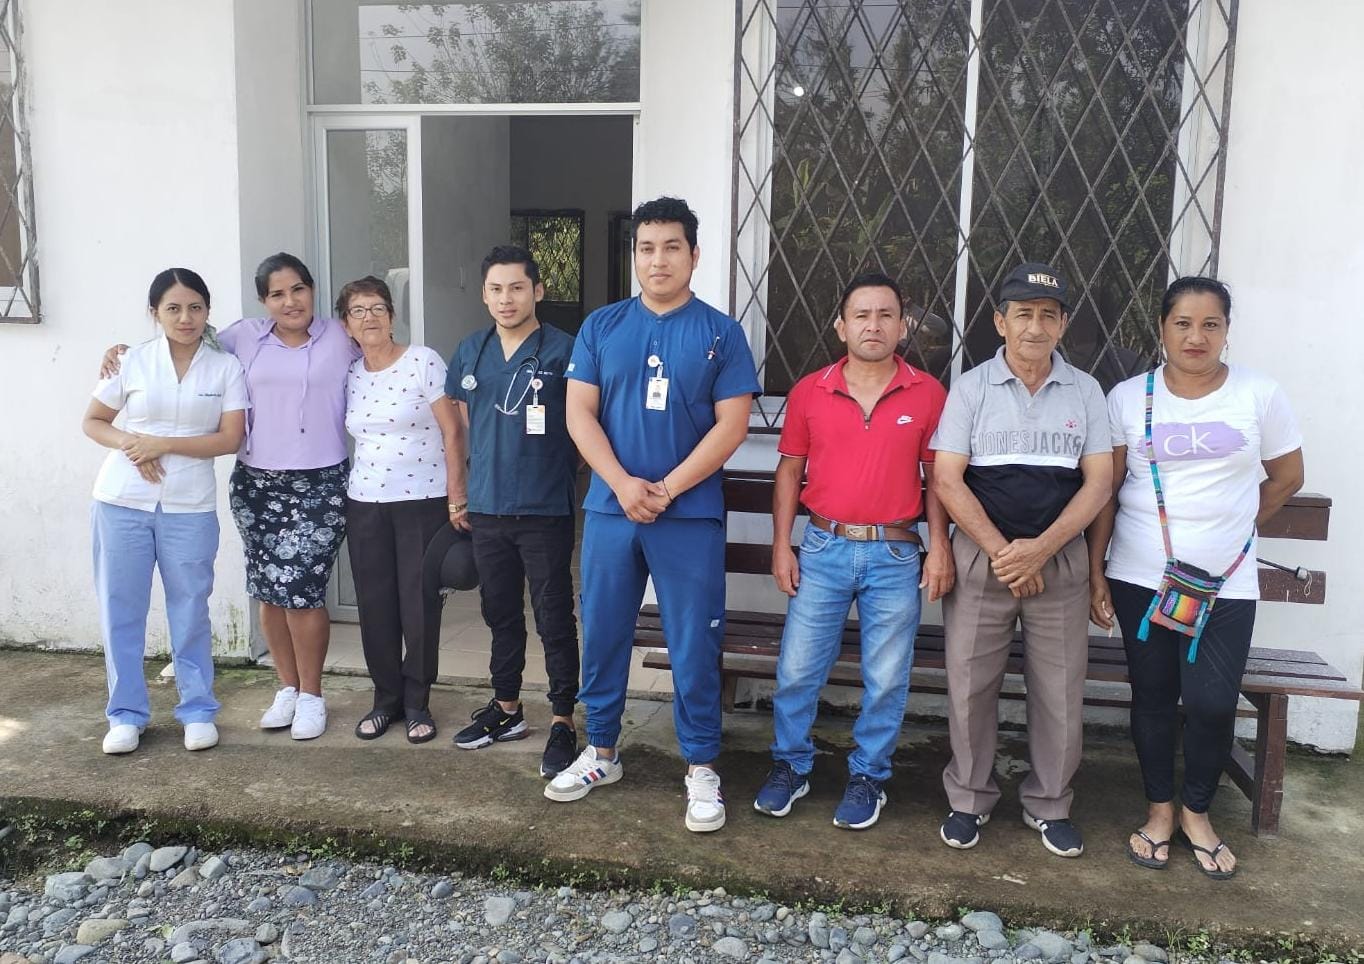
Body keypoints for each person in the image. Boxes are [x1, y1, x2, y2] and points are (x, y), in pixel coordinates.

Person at [547, 197, 761, 832]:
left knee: (694, 640)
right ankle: (601, 750)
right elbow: (578, 412)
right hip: (611, 510)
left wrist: (666, 489)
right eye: (646, 248)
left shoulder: (721, 333)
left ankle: (701, 765)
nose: (658, 259)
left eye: (672, 247)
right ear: (634, 255)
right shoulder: (602, 327)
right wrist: (621, 483)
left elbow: (732, 426)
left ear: (694, 255)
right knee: (604, 630)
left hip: (688, 516)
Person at [1088, 276, 1303, 880]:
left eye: (1211, 324)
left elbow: (1287, 476)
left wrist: (1238, 526)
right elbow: (1106, 490)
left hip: (1225, 585)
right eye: (1182, 323)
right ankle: (1159, 811)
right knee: (1154, 698)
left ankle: (1197, 812)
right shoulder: (1128, 398)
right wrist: (1096, 571)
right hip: (1141, 579)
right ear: (1162, 328)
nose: (1196, 336)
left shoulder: (1259, 394)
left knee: (1211, 702)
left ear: (1227, 331)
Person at [100, 253, 359, 740]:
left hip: (320, 482)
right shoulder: (243, 337)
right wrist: (121, 352)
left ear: (312, 291)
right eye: (277, 294)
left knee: (303, 591)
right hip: (257, 483)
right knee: (268, 590)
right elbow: (185, 335)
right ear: (264, 301)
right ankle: (287, 688)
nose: (290, 301)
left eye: (298, 289)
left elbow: (381, 351)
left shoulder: (340, 337)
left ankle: (312, 695)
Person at [752, 272, 951, 830]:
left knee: (886, 678)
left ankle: (869, 776)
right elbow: (789, 472)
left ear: (903, 326)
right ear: (841, 326)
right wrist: (781, 546)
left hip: (895, 553)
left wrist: (940, 547)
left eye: (886, 315)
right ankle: (791, 765)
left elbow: (938, 481)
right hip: (823, 547)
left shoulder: (927, 393)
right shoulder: (809, 391)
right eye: (861, 315)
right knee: (798, 669)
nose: (873, 325)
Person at [930, 262, 1112, 857]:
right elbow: (947, 478)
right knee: (970, 685)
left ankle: (1050, 803)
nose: (1036, 327)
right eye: (1024, 314)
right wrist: (1003, 552)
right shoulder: (972, 388)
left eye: (1048, 316)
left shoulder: (1086, 391)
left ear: (1063, 325)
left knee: (1060, 689)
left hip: (1058, 561)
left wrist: (1042, 549)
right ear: (1000, 322)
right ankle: (968, 798)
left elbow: (1099, 483)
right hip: (983, 558)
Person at [83, 269, 247, 754]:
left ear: (208, 311)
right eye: (173, 308)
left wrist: (164, 444)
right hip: (121, 501)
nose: (185, 317)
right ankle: (125, 715)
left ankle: (197, 710)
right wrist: (133, 444)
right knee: (121, 608)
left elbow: (230, 438)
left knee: (190, 608)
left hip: (189, 506)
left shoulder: (225, 367)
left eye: (195, 307)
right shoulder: (130, 360)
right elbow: (94, 421)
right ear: (154, 313)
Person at [445, 246, 582, 776]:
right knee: (499, 613)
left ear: (537, 291)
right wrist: (461, 492)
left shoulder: (564, 350)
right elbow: (463, 425)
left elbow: (585, 425)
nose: (507, 299)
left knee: (553, 617)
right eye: (496, 289)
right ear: (485, 295)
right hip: (488, 507)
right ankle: (506, 709)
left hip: (544, 509)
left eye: (517, 288)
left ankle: (563, 719)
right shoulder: (471, 350)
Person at [340, 276, 466, 744]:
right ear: (346, 325)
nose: (369, 317)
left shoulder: (422, 361)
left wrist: (457, 494)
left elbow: (453, 430)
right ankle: (385, 700)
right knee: (375, 605)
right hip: (365, 502)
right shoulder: (350, 373)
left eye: (377, 308)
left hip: (422, 502)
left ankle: (417, 702)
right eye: (358, 311)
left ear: (392, 316)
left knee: (419, 604)